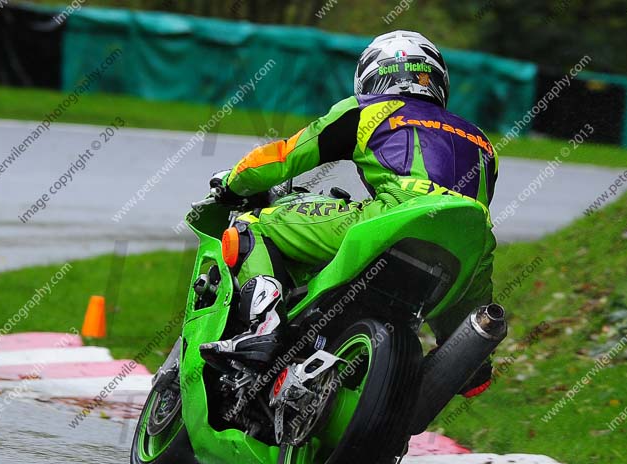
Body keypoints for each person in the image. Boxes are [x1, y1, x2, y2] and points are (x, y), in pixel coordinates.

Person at [200, 30, 498, 398]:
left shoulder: (367, 111)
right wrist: (465, 344)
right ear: (436, 79)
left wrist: (232, 182)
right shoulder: (481, 141)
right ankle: (467, 362)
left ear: (372, 76)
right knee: (471, 351)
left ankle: (265, 329)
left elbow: (283, 157)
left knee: (254, 226)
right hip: (467, 250)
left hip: (391, 217)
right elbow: (461, 218)